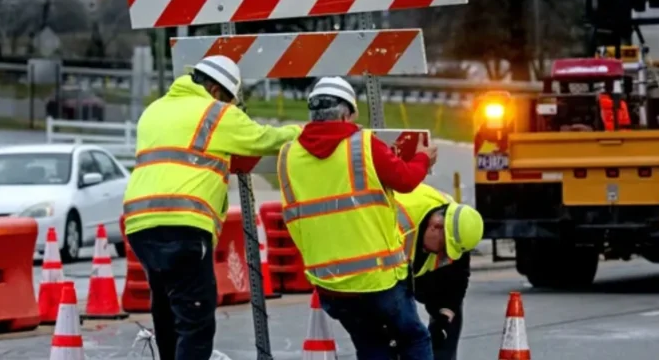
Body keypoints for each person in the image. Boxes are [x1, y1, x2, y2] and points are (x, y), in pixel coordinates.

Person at [124, 55, 302, 360]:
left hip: (139, 224)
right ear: (218, 91)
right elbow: (262, 139)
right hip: (183, 223)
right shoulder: (216, 113)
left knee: (166, 312)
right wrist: (300, 132)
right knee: (196, 321)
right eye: (230, 100)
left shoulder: (153, 110)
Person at [276, 76, 438, 360]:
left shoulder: (288, 155)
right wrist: (423, 159)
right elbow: (405, 180)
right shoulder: (363, 144)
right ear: (347, 113)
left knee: (371, 345)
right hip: (379, 279)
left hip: (331, 284)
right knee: (413, 338)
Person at [394, 183, 484, 360]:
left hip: (416, 268)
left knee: (450, 316)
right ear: (435, 226)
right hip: (383, 272)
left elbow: (457, 278)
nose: (444, 255)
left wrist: (444, 319)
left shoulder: (456, 225)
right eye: (444, 247)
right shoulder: (399, 222)